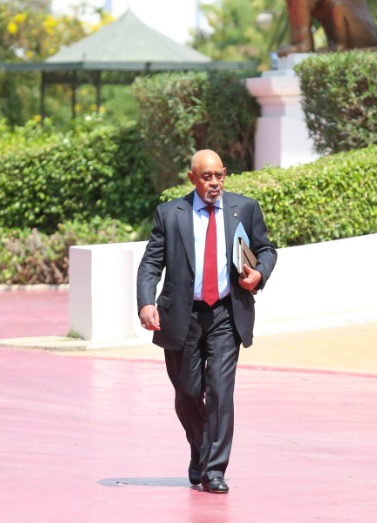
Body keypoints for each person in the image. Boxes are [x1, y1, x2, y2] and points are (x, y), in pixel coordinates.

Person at [137, 149, 277, 494]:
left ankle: (214, 469)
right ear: (192, 179)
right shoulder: (170, 214)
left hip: (227, 313)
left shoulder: (244, 208)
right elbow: (151, 264)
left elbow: (267, 250)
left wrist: (259, 274)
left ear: (224, 175)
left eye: (219, 176)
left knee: (219, 391)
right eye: (206, 177)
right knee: (186, 393)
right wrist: (145, 303)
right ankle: (200, 451)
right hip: (181, 316)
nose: (214, 183)